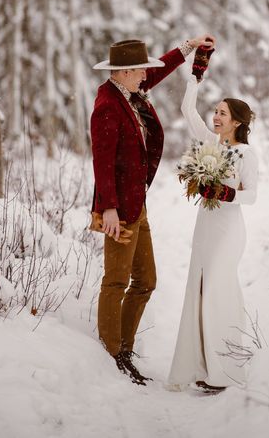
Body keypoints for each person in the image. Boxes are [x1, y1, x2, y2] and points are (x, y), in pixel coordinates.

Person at [91, 35, 215, 385]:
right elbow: (102, 164)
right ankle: (110, 354)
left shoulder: (129, 91)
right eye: (141, 68)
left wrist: (188, 47)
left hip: (136, 202)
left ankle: (124, 348)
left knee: (146, 281)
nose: (147, 72)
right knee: (116, 281)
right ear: (126, 72)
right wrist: (109, 210)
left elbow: (158, 72)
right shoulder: (107, 107)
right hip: (120, 209)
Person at [168, 53, 258, 393]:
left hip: (228, 231)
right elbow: (187, 112)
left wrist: (225, 192)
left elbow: (251, 196)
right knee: (200, 292)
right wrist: (195, 77)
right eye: (216, 112)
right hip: (205, 228)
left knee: (219, 292)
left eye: (222, 113)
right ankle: (202, 367)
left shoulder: (247, 155)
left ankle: (226, 370)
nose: (215, 117)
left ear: (236, 122)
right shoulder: (209, 144)